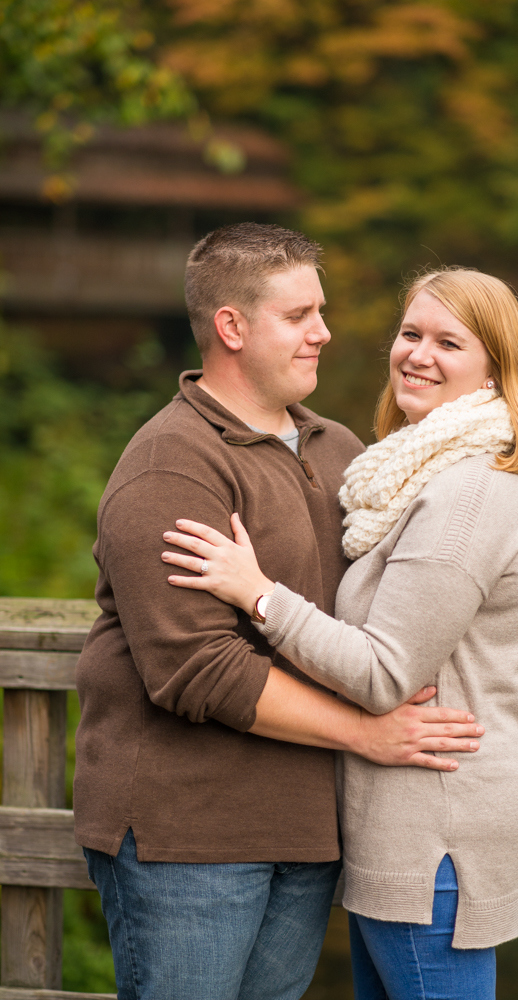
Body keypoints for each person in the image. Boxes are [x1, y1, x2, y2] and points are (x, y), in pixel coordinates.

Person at [74, 225, 484, 1000]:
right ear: (232, 326)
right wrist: (368, 733)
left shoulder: (339, 452)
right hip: (188, 838)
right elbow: (197, 670)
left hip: (307, 829)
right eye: (299, 316)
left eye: (320, 311)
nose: (323, 332)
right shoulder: (172, 464)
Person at [161, 265, 518, 1000]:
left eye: (448, 343)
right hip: (409, 816)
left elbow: (382, 673)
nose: (418, 355)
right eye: (410, 334)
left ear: (495, 369)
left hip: (436, 824)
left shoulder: (465, 495)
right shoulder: (411, 476)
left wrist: (258, 595)